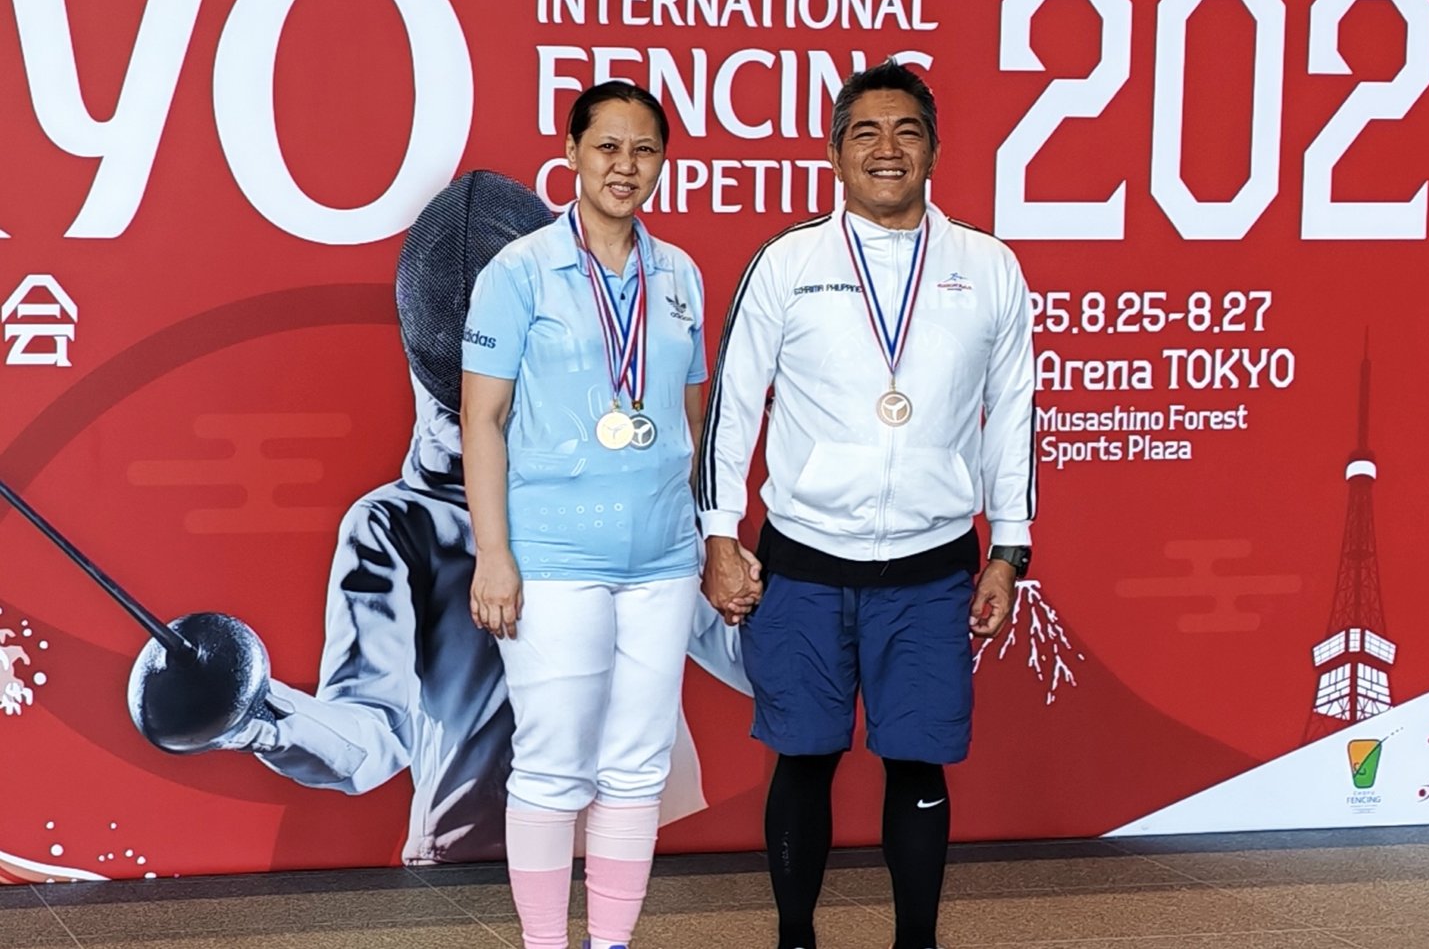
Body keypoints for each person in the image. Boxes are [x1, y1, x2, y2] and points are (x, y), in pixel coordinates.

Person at [208, 170, 748, 865]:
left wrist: (814, 588)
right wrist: (253, 713)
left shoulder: (630, 474)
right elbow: (374, 734)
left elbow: (747, 656)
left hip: (637, 834)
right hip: (475, 862)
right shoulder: (398, 528)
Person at [698, 60, 1038, 949]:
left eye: (907, 131)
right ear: (835, 152)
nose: (888, 149)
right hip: (804, 562)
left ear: (935, 149)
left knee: (918, 763)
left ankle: (916, 943)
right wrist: (718, 534)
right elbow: (734, 406)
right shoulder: (789, 262)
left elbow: (1014, 415)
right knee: (804, 758)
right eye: (866, 133)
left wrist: (1010, 550)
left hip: (931, 569)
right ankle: (795, 940)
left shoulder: (989, 268)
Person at [461, 83, 746, 949]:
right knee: (553, 766)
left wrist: (713, 534)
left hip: (661, 559)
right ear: (573, 155)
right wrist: (493, 554)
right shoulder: (518, 273)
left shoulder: (680, 276)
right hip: (552, 557)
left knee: (637, 768)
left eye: (644, 150)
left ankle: (612, 943)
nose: (627, 167)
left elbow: (694, 420)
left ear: (663, 162)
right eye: (608, 147)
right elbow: (482, 420)